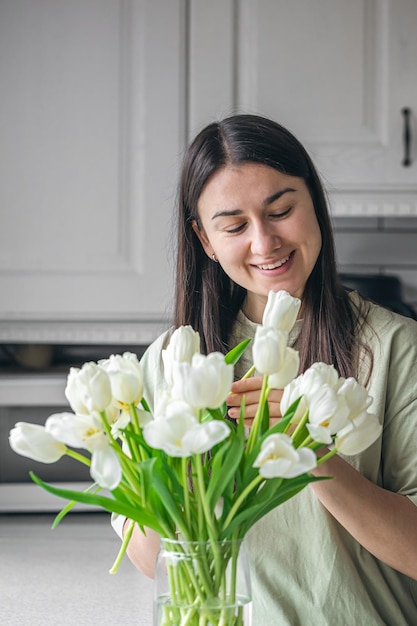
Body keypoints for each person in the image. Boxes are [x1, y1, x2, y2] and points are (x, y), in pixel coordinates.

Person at [112, 114, 417, 624]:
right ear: (205, 241)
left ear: (314, 203)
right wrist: (181, 466)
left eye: (281, 210)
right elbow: (147, 561)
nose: (264, 242)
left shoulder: (396, 349)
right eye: (233, 226)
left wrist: (312, 453)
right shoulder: (173, 360)